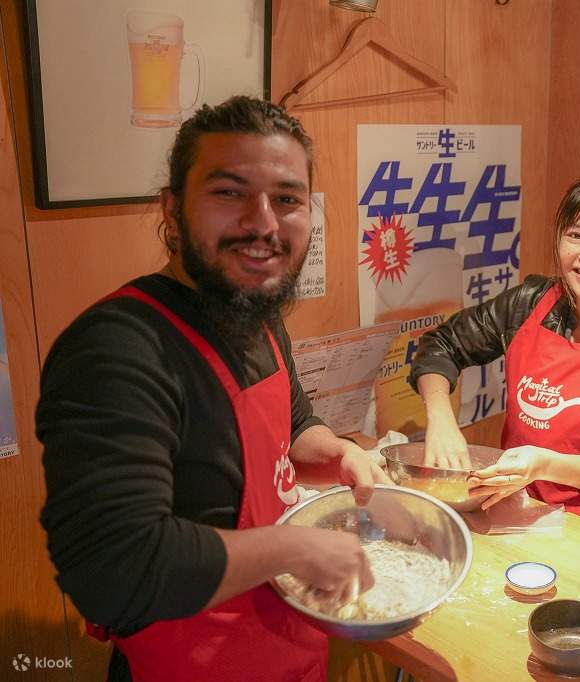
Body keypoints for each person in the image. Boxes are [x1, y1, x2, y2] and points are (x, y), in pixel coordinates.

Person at [37, 96, 389, 682]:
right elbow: (113, 572)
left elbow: (292, 424)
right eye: (229, 192)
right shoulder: (117, 349)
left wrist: (335, 450)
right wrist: (296, 549)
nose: (264, 223)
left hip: (289, 655)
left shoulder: (252, 309)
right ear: (172, 211)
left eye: (287, 199)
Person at [410, 172, 580, 535]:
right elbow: (443, 344)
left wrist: (543, 465)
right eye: (575, 235)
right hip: (506, 512)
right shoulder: (529, 303)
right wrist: (441, 419)